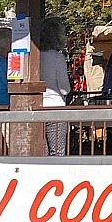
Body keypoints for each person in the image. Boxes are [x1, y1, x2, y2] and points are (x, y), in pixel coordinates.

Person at [35, 18, 72, 156]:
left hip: (38, 106)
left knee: (41, 151)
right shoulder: (57, 58)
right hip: (55, 107)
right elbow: (64, 89)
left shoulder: (34, 56)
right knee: (57, 151)